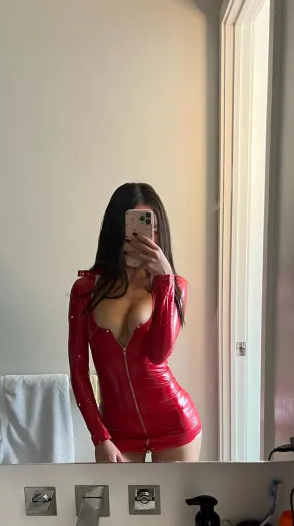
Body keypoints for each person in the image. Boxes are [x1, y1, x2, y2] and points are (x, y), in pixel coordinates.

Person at [68, 183, 202, 462]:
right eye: (133, 227)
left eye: (151, 227)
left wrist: (165, 280)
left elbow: (159, 353)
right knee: (118, 494)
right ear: (117, 229)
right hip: (117, 432)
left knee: (177, 494)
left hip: (174, 425)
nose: (143, 237)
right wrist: (100, 436)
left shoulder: (175, 286)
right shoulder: (86, 289)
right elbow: (78, 369)